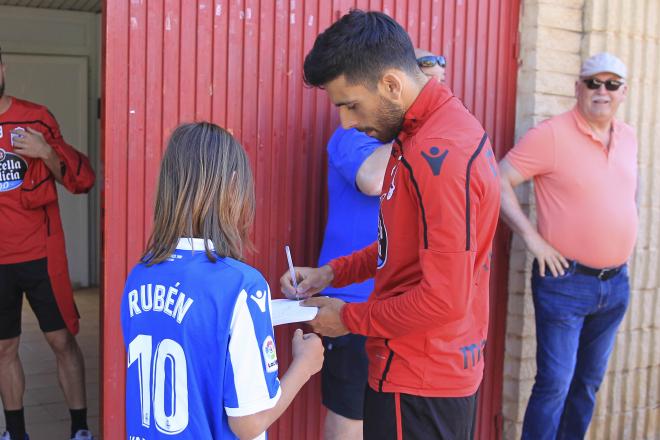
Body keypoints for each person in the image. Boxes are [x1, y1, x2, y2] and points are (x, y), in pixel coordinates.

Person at [280, 11, 500, 439]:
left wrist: (349, 318)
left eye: (351, 104)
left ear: (392, 85)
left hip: (420, 377)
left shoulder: (439, 154)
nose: (347, 122)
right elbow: (400, 246)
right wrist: (332, 272)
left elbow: (444, 299)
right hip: (421, 369)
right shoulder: (420, 134)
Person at [120, 122, 324, 439]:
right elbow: (250, 423)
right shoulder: (241, 285)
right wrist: (305, 364)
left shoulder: (139, 275)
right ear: (232, 188)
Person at [498, 52, 636, 439]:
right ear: (578, 88)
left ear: (623, 92)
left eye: (611, 84)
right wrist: (532, 238)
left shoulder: (628, 137)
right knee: (555, 385)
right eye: (593, 82)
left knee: (587, 384)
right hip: (565, 283)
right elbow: (497, 179)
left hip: (615, 284)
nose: (601, 91)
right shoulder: (551, 135)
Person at [316, 50, 448, 440]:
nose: (429, 94)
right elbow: (373, 179)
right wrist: (415, 128)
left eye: (438, 83)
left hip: (403, 304)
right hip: (352, 298)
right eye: (422, 81)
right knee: (350, 414)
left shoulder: (438, 149)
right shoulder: (350, 137)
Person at [0, 47, 96, 440]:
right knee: (4, 349)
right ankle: (16, 433)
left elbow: (81, 180)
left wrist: (46, 152)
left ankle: (79, 429)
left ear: (2, 70)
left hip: (40, 255)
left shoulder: (36, 118)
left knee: (61, 341)